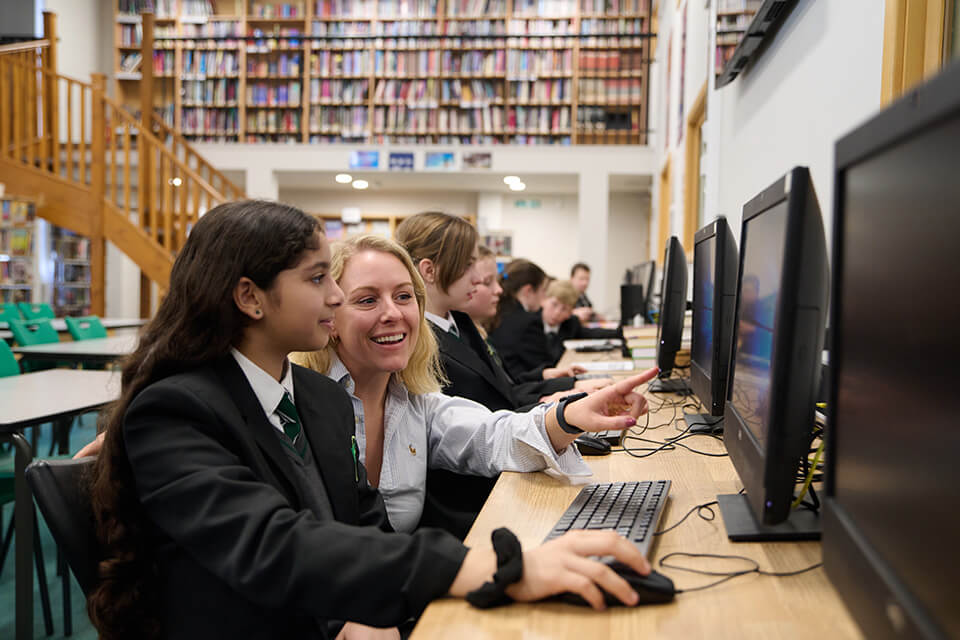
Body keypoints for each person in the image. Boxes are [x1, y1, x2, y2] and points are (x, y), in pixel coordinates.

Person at [83, 200, 654, 640]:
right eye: (317, 280)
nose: (334, 297)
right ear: (250, 298)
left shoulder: (312, 397)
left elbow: (362, 528)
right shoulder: (176, 410)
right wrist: (491, 565)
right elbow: (276, 546)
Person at [290, 234, 659, 536]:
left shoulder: (417, 402)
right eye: (368, 300)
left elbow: (493, 434)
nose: (393, 313)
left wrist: (572, 415)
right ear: (330, 316)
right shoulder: (296, 405)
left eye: (404, 296)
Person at [394, 212, 607, 537]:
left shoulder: (460, 323)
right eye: (468, 266)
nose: (478, 279)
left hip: (501, 457)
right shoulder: (418, 345)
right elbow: (473, 425)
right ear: (430, 270)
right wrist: (560, 412)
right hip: (469, 493)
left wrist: (562, 403)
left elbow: (503, 392)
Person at [463, 245, 585, 382]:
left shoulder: (494, 319)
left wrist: (544, 374)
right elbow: (512, 388)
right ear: (528, 291)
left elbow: (509, 383)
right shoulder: (526, 322)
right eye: (486, 282)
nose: (498, 290)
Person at [491, 279, 622, 382]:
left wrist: (619, 332)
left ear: (570, 313)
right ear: (544, 300)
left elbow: (591, 333)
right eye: (554, 304)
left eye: (564, 309)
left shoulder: (570, 324)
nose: (557, 312)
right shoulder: (529, 323)